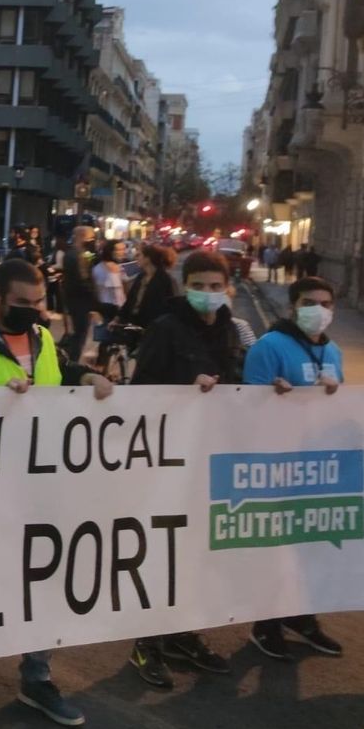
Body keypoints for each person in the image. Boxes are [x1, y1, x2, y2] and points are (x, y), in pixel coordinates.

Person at [0, 259, 113, 729]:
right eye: (21, 302)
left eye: (38, 302)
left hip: (43, 483)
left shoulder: (41, 338)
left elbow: (60, 372)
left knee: (43, 578)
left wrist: (87, 378)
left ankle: (37, 677)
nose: (32, 310)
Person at [121, 250, 240, 687]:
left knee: (195, 555)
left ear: (227, 288)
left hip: (211, 459)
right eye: (199, 286)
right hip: (167, 460)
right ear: (186, 286)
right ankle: (146, 642)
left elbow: (240, 387)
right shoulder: (166, 329)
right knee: (162, 553)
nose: (208, 294)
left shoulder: (230, 330)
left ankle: (182, 633)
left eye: (215, 286)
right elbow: (141, 393)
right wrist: (186, 391)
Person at [243, 275, 346, 661]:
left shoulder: (333, 351)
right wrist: (272, 396)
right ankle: (265, 624)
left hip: (316, 465)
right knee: (276, 550)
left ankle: (301, 616)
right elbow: (244, 404)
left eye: (326, 304)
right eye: (308, 303)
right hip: (275, 463)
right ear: (292, 307)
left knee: (311, 547)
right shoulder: (270, 346)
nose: (318, 310)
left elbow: (341, 408)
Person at [59, 225, 100, 361]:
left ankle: (70, 358)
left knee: (78, 333)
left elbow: (92, 260)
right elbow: (83, 278)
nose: (93, 240)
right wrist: (94, 298)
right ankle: (72, 361)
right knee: (79, 333)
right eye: (91, 237)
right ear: (83, 237)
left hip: (75, 299)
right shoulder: (76, 255)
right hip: (80, 301)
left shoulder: (78, 253)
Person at [122, 243, 177, 330]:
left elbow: (171, 306)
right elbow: (130, 300)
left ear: (148, 258)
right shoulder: (141, 277)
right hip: (136, 324)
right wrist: (118, 318)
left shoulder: (165, 279)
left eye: (138, 255)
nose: (135, 258)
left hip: (154, 327)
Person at [92, 239, 127, 311]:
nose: (123, 252)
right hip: (106, 309)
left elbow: (123, 290)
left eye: (123, 249)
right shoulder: (98, 269)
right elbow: (97, 292)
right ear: (110, 251)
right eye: (119, 250)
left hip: (121, 308)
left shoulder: (120, 268)